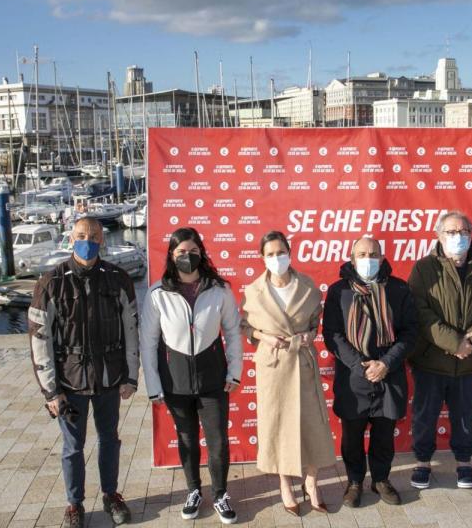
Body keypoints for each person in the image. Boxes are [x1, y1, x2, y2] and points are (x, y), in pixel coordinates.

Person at [28, 217, 138, 528]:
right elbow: (39, 338)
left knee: (109, 440)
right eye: (81, 235)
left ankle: (111, 495)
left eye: (93, 236)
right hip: (69, 382)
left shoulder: (118, 279)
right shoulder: (51, 282)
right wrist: (51, 390)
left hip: (109, 378)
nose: (87, 240)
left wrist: (131, 376)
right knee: (73, 447)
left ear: (102, 240)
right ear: (71, 237)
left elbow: (132, 329)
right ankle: (74, 504)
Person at [140, 227, 243, 524]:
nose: (188, 257)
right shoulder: (158, 292)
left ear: (202, 252)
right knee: (186, 439)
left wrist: (234, 372)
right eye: (181, 252)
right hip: (175, 380)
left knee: (218, 440)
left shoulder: (219, 289)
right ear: (172, 256)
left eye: (193, 251)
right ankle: (194, 490)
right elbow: (148, 342)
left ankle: (221, 493)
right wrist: (154, 386)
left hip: (214, 376)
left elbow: (234, 333)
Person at [406, 211, 472, 490]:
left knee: (465, 415)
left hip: (469, 361)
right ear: (439, 235)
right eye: (450, 232)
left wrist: (470, 341)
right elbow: (419, 311)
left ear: (471, 235)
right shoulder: (424, 268)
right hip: (431, 360)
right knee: (425, 414)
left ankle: (464, 462)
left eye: (463, 232)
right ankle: (423, 462)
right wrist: (453, 343)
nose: (457, 237)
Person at [240, 231, 335, 516]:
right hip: (273, 366)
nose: (276, 258)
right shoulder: (253, 291)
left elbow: (316, 321)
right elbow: (244, 326)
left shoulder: (308, 286)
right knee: (278, 426)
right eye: (270, 254)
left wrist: (309, 335)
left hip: (303, 363)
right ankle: (285, 484)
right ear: (262, 258)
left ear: (290, 253)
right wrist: (261, 336)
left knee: (312, 424)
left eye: (281, 252)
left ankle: (312, 482)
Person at [323, 236, 416, 508]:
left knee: (384, 433)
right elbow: (332, 334)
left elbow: (410, 332)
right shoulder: (339, 291)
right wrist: (359, 365)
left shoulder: (398, 289)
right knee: (352, 434)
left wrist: (386, 363)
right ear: (352, 259)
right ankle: (354, 481)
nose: (368, 259)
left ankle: (380, 480)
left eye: (373, 254)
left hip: (390, 373)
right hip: (354, 377)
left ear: (383, 257)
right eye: (362, 254)